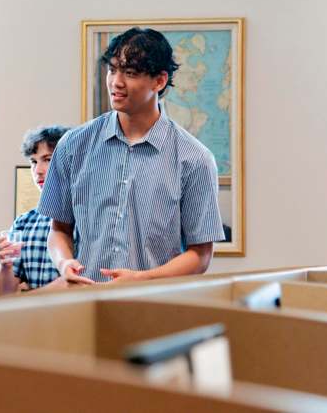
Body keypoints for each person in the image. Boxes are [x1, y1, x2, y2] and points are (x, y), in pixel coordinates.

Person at [39, 27, 224, 285]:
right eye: (112, 69)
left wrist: (143, 277)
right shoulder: (73, 145)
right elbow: (59, 230)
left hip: (153, 308)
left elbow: (201, 255)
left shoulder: (194, 159)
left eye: (130, 73)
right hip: (85, 302)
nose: (116, 82)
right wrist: (64, 262)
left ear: (159, 81)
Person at [0, 125, 70, 295]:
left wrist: (27, 296)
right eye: (34, 162)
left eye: (47, 160)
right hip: (32, 320)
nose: (38, 171)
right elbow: (4, 293)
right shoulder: (24, 222)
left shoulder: (87, 219)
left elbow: (79, 283)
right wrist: (5, 266)